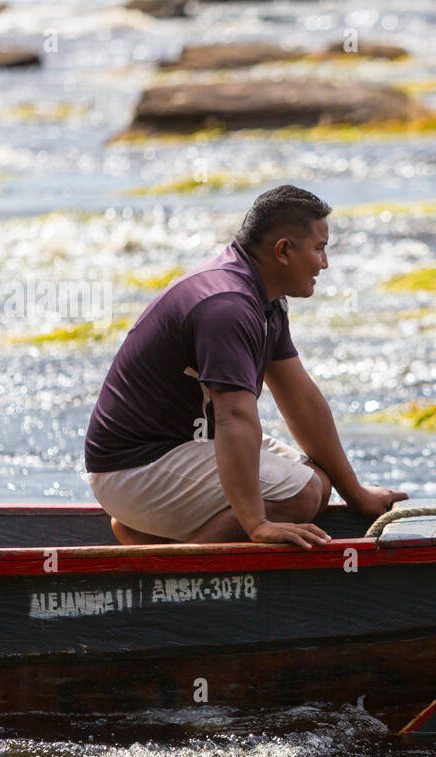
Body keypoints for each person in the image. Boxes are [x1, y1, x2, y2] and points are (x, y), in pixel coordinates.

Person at [84, 184, 405, 547]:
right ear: (283, 250)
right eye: (319, 249)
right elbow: (234, 417)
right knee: (300, 495)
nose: (324, 263)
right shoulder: (228, 306)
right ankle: (180, 567)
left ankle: (145, 532)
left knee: (318, 483)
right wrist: (256, 524)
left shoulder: (263, 297)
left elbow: (301, 401)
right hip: (134, 467)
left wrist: (356, 494)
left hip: (183, 445)